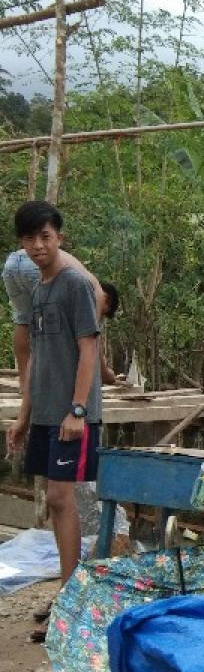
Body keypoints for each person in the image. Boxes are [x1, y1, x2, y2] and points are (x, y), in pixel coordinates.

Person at [5, 201, 103, 606]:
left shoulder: (74, 284)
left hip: (71, 414)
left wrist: (78, 409)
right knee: (55, 500)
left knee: (62, 499)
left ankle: (71, 593)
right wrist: (24, 416)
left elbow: (89, 348)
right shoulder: (39, 289)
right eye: (29, 238)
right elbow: (34, 359)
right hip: (45, 412)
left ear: (59, 237)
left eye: (45, 236)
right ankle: (69, 590)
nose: (37, 245)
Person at [3, 242, 121, 384]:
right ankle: (52, 383)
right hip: (36, 265)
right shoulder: (97, 292)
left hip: (13, 262)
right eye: (104, 313)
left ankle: (25, 384)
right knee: (52, 328)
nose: (100, 316)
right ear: (106, 300)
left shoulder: (80, 277)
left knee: (22, 320)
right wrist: (105, 373)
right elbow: (91, 337)